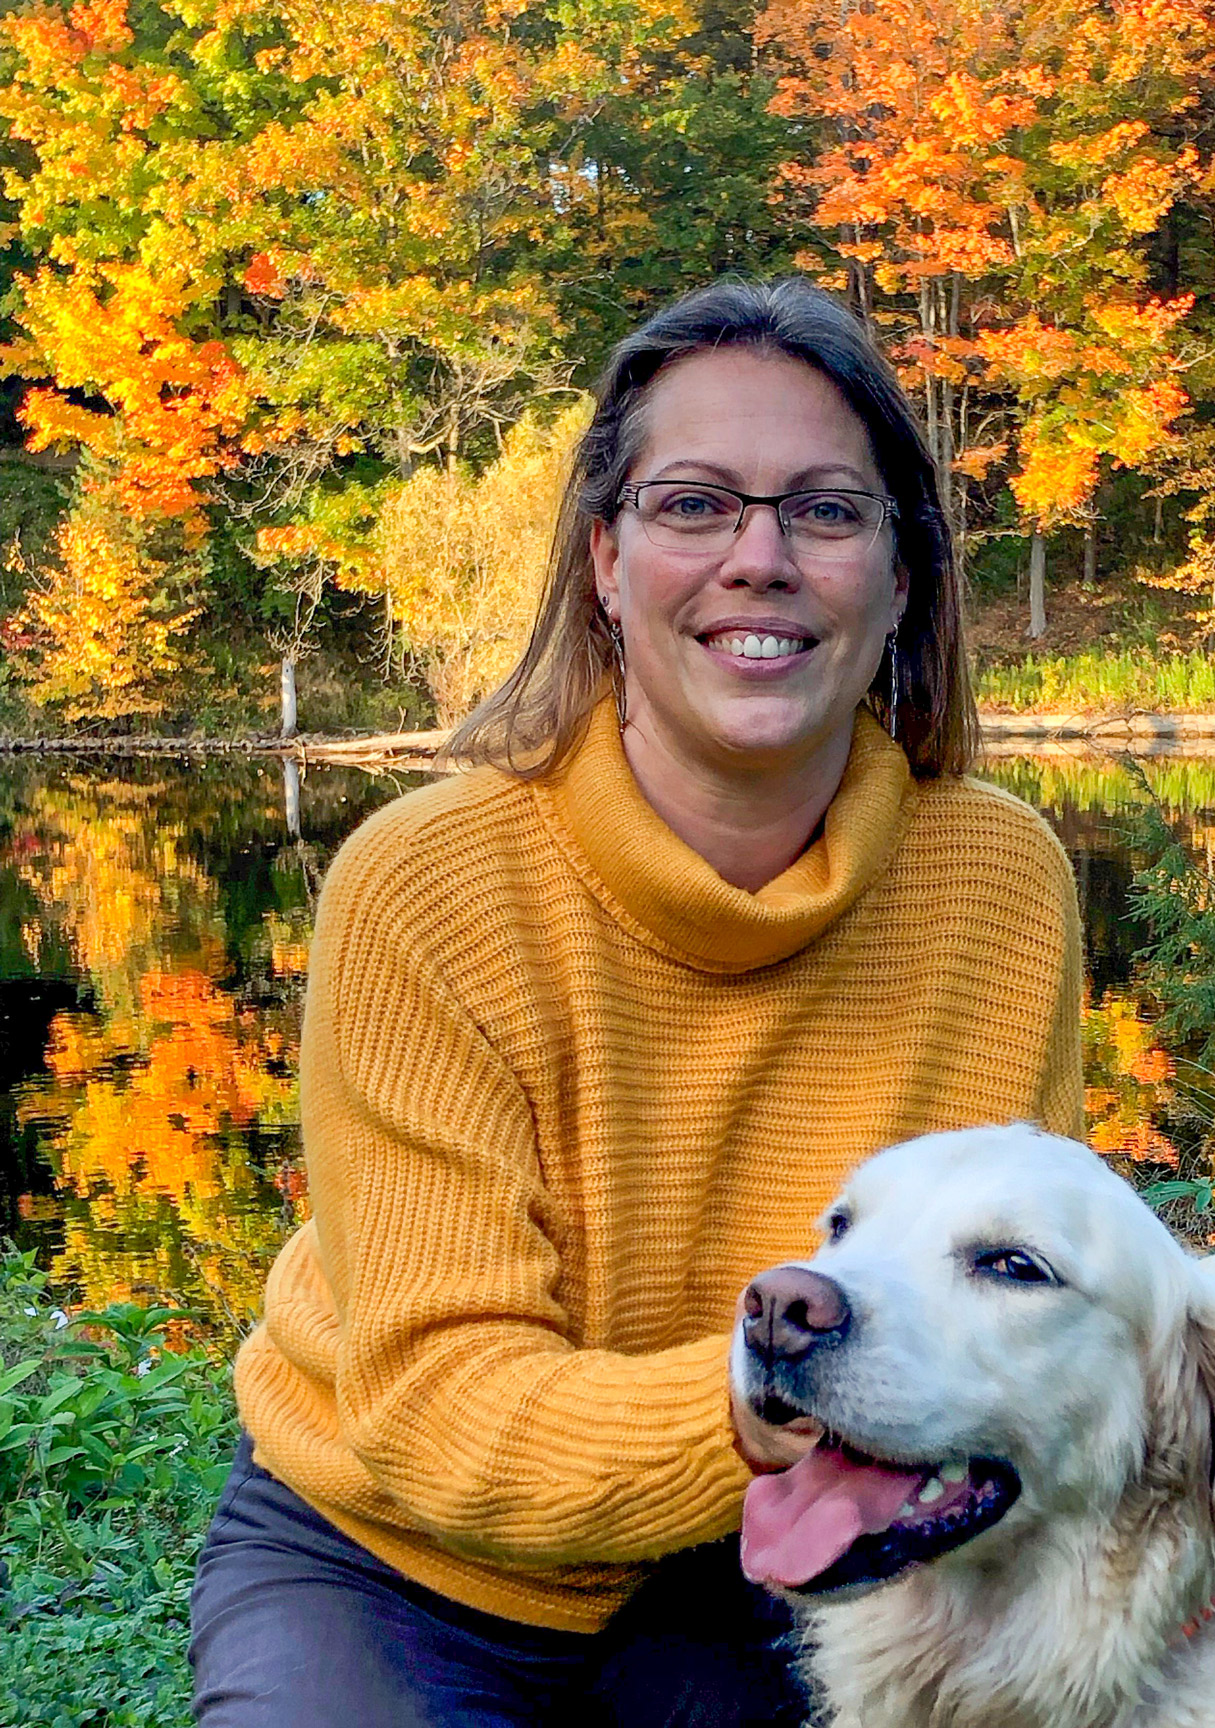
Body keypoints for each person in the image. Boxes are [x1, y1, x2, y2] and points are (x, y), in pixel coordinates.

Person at [188, 276, 1085, 1727]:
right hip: (396, 1561)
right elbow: (435, 1408)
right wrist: (776, 1393)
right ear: (604, 559)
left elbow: (1010, 1341)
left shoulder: (1002, 881)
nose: (761, 558)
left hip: (787, 1555)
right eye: (694, 505)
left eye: (825, 510)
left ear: (904, 575)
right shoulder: (423, 886)